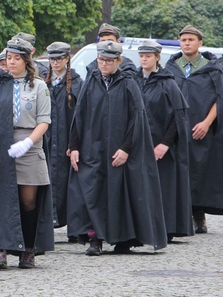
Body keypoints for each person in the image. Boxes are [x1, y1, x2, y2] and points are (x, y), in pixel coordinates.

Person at [68, 41, 168, 255]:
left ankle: (125, 238)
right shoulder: (91, 81)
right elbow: (79, 115)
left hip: (119, 149)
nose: (104, 64)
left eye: (109, 60)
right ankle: (95, 238)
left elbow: (137, 118)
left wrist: (126, 148)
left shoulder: (128, 83)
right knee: (93, 192)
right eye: (101, 60)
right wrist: (74, 146)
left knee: (120, 193)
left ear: (118, 61)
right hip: (92, 148)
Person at [0, 37, 54, 269]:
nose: (12, 62)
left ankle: (28, 249)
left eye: (17, 58)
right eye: (9, 58)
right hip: (1, 145)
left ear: (27, 60)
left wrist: (28, 142)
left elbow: (44, 121)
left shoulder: (39, 86)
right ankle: (0, 250)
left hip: (28, 144)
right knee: (0, 197)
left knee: (28, 200)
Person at [164, 26, 223, 232]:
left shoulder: (210, 68)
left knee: (198, 173)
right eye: (183, 39)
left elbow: (219, 99)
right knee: (176, 172)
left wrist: (206, 123)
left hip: (200, 130)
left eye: (191, 39)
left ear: (200, 42)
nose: (186, 43)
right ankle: (177, 217)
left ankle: (198, 215)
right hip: (175, 130)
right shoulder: (170, 68)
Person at [136, 40, 193, 241]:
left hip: (161, 145)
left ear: (157, 57)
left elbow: (179, 117)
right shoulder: (133, 80)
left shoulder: (168, 83)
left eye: (148, 56)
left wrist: (165, 143)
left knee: (163, 189)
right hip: (138, 145)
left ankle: (166, 229)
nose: (144, 59)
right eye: (142, 55)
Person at [43, 41, 83, 233]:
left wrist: (75, 142)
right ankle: (50, 219)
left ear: (67, 59)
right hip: (48, 139)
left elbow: (81, 116)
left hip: (68, 139)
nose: (55, 62)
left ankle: (74, 226)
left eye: (59, 58)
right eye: (52, 59)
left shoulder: (77, 83)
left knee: (70, 182)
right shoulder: (44, 83)